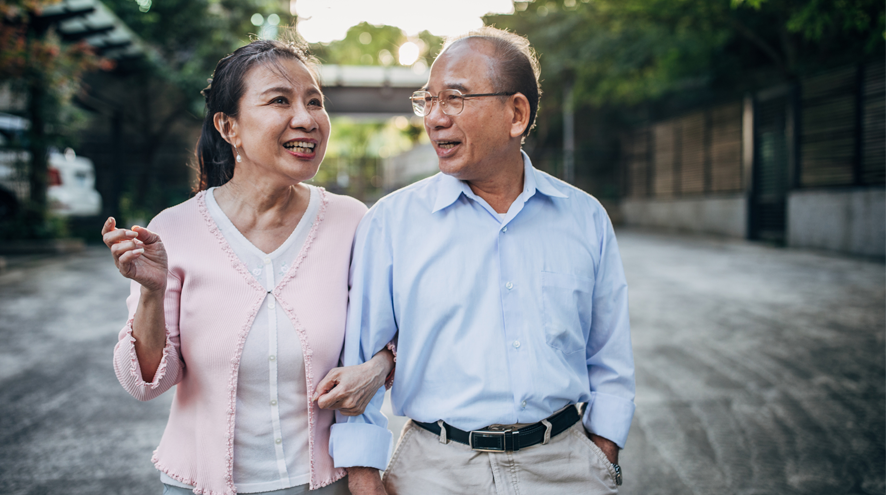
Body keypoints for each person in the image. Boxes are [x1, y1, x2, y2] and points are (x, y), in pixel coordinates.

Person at [327, 27, 636, 495]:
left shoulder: (584, 217)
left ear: (516, 113)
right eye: (427, 101)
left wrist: (604, 450)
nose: (434, 118)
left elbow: (608, 354)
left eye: (453, 98)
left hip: (566, 469)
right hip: (434, 472)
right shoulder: (390, 223)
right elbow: (359, 365)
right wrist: (365, 478)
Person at [102, 38, 394, 495]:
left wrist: (377, 367)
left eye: (314, 101)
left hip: (325, 483)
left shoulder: (353, 221)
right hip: (202, 485)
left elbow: (391, 335)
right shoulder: (174, 230)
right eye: (280, 100)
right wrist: (152, 294)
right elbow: (145, 383)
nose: (307, 118)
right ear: (228, 126)